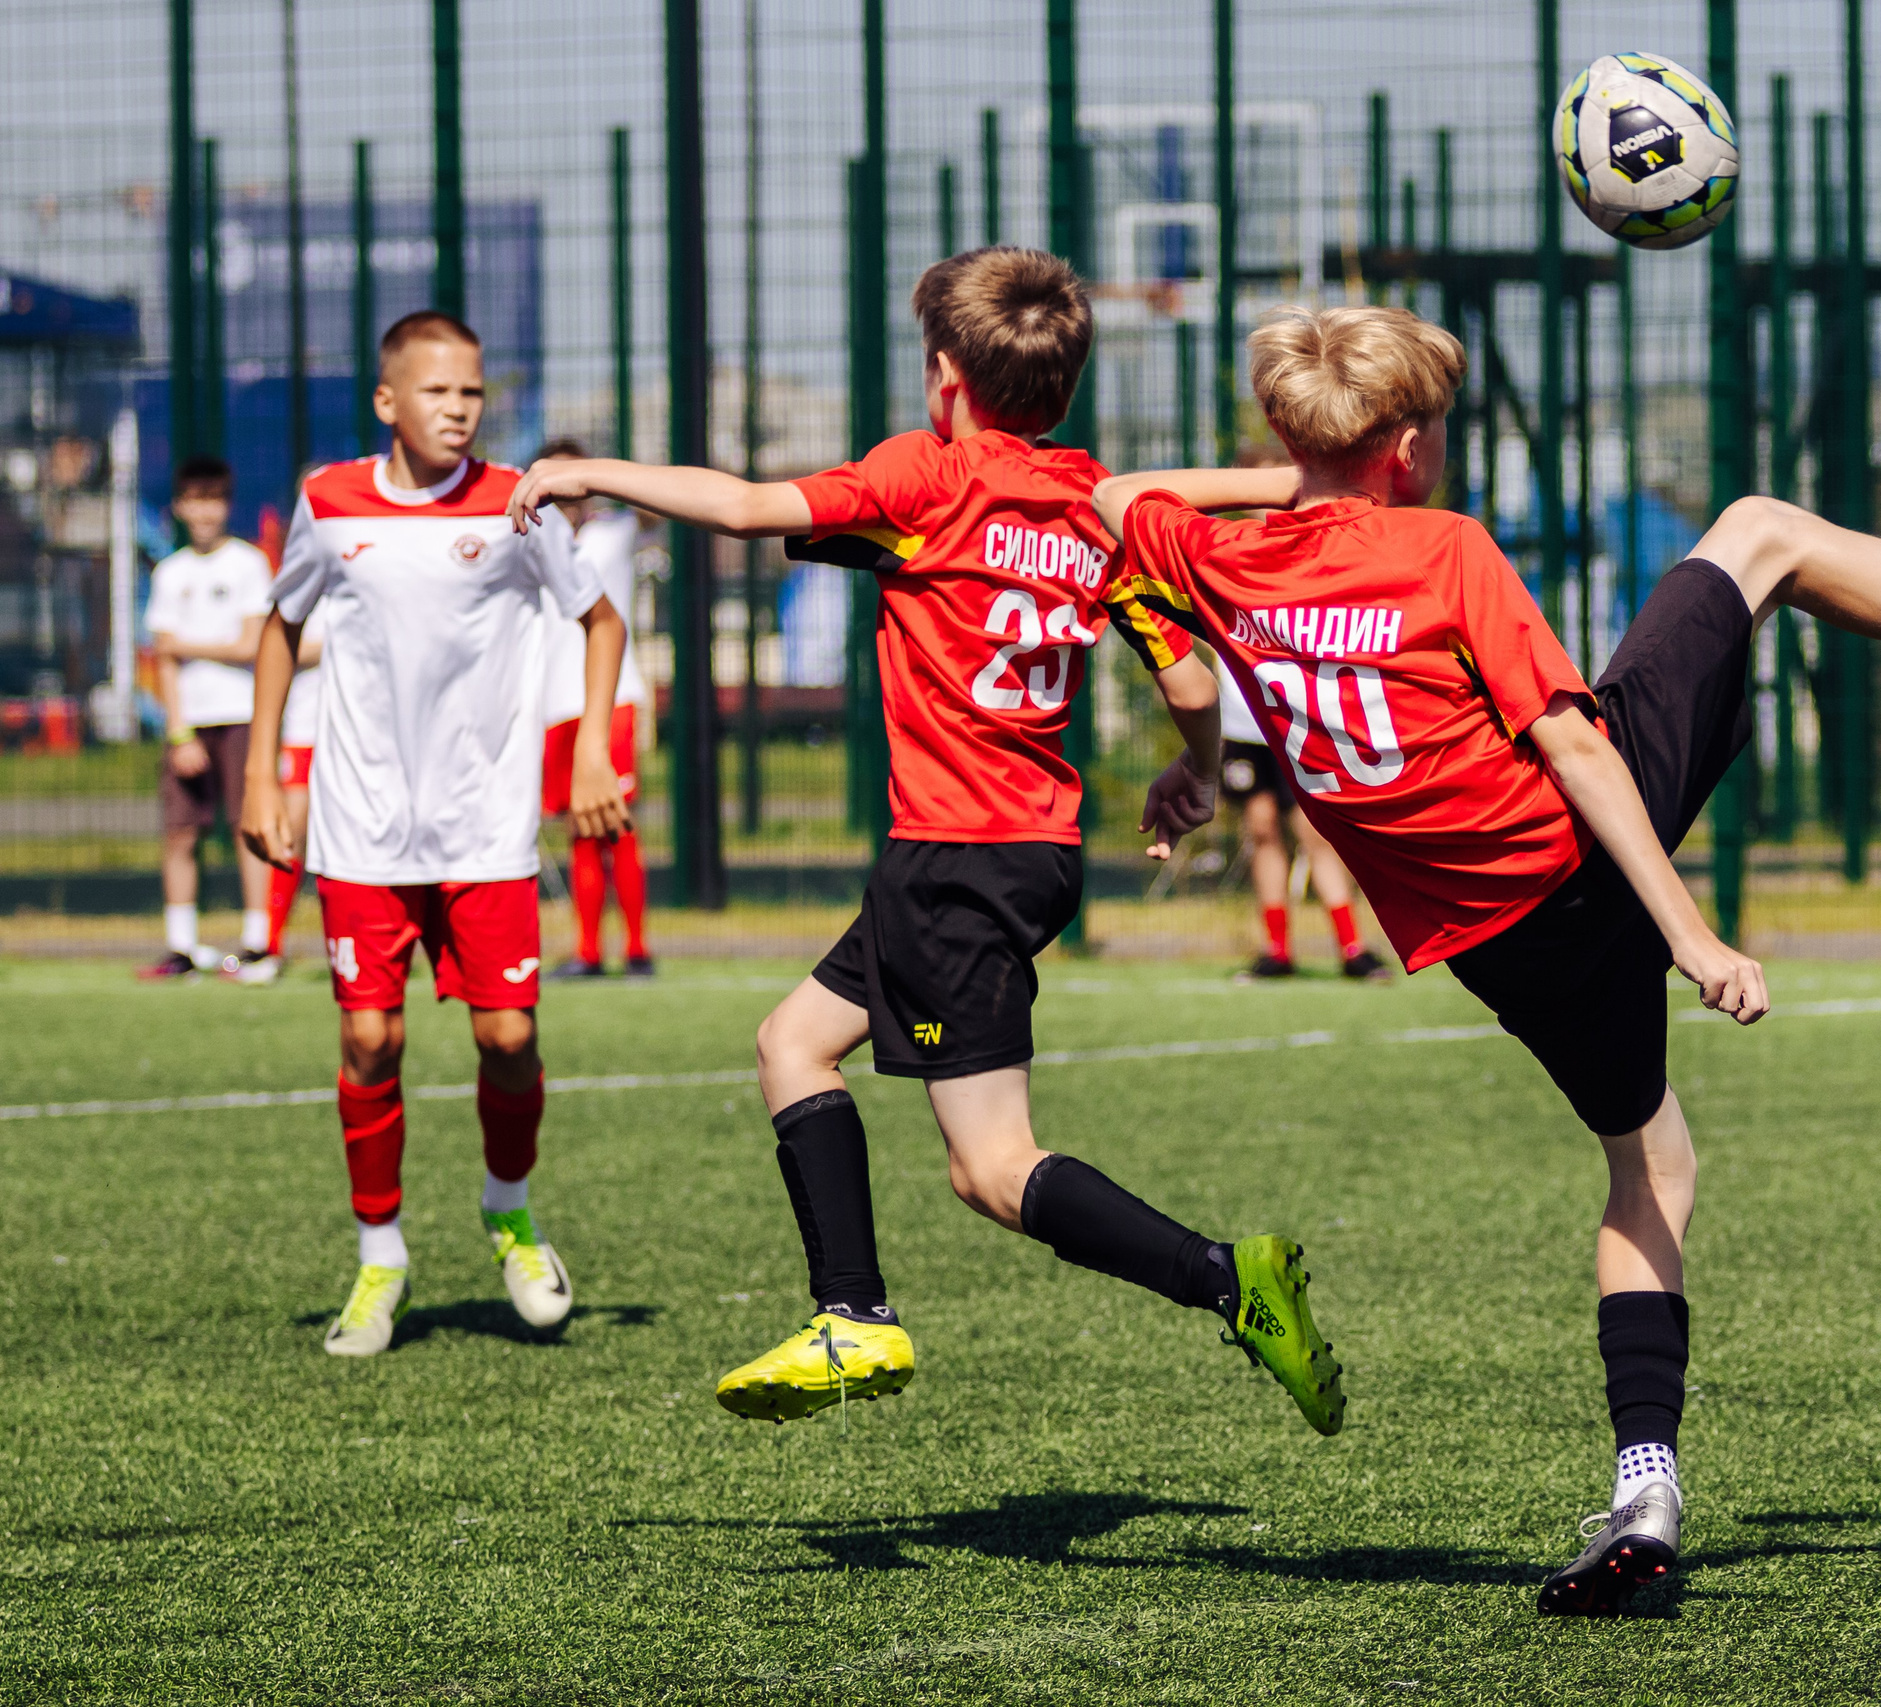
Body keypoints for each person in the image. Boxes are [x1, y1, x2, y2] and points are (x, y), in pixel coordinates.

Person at [1093, 303, 1881, 1615]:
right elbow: (1579, 751)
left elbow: (1120, 490)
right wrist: (1691, 933)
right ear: (1412, 446)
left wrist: (1309, 469)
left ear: (1291, 433)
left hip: (1491, 945)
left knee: (1654, 1162)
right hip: (1580, 865)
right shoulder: (1443, 549)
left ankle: (1646, 1490)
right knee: (1761, 530)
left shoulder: (1217, 561)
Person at [503, 246, 1344, 1438]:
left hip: (952, 856)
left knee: (992, 1169)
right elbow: (1194, 681)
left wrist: (587, 469)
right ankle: (847, 1308)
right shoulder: (1093, 505)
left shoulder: (922, 480)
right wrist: (1192, 777)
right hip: (1021, 851)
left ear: (945, 376)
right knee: (792, 1042)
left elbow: (745, 507)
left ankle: (1227, 1280)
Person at [239, 309, 634, 1358]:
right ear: (388, 402)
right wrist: (261, 775)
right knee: (371, 1039)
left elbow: (601, 621)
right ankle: (381, 1258)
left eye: (472, 393)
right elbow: (281, 627)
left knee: (508, 1040)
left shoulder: (518, 502)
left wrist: (591, 746)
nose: (458, 410)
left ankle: (508, 1211)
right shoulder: (329, 500)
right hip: (360, 826)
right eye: (437, 392)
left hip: (487, 829)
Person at [138, 455, 274, 979]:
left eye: (213, 500)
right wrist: (179, 732)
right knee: (179, 833)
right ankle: (183, 947)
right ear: (178, 507)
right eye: (194, 500)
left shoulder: (248, 563)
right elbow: (164, 663)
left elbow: (249, 645)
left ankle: (259, 943)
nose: (204, 511)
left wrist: (184, 644)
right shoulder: (171, 572)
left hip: (242, 714)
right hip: (191, 722)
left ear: (227, 504)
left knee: (249, 828)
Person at [528, 436, 653, 979]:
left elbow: (654, 508)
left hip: (614, 697)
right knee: (579, 828)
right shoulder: (532, 538)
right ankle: (587, 950)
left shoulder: (613, 531)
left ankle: (638, 947)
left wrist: (604, 478)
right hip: (555, 705)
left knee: (617, 826)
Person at [1212, 650, 1388, 981]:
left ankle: (1354, 949)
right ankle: (1277, 952)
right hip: (1241, 729)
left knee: (1314, 833)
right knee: (1261, 830)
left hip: (1292, 719)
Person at [228, 604, 323, 986]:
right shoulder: (303, 587)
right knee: (290, 832)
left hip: (363, 735)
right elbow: (276, 645)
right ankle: (269, 946)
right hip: (304, 732)